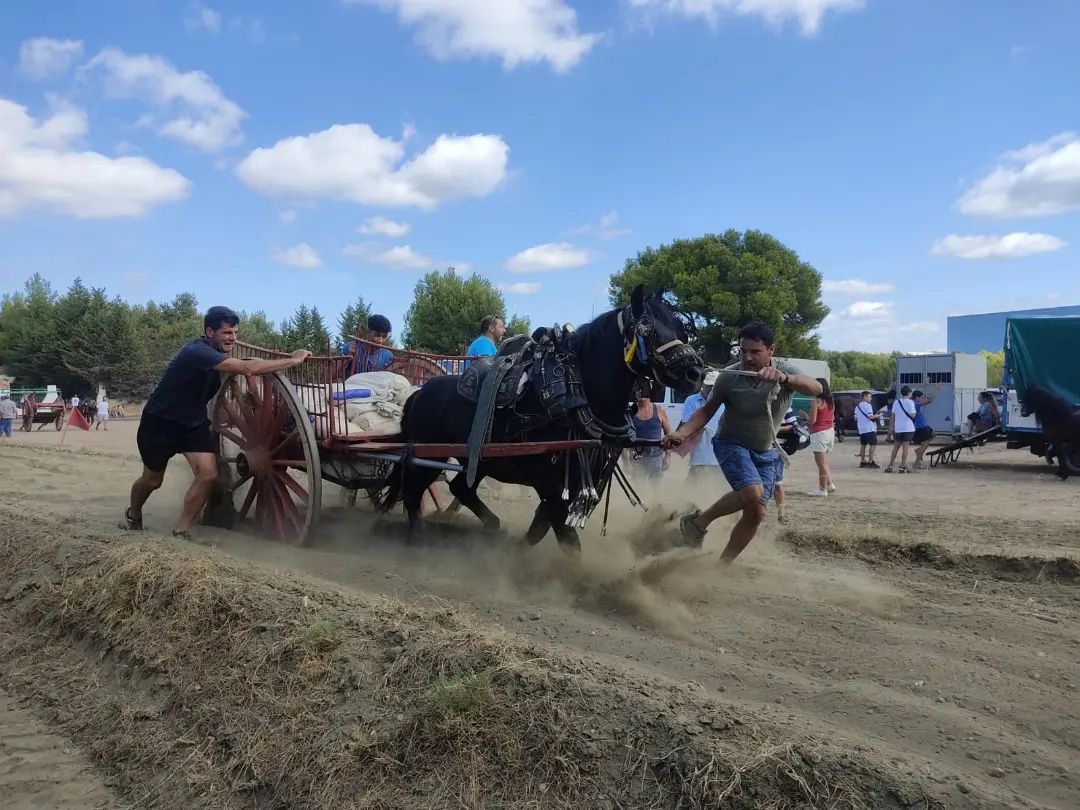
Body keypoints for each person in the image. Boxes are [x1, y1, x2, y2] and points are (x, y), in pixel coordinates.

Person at [122, 306, 311, 541]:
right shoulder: (197, 352)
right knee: (152, 480)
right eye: (227, 333)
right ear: (209, 332)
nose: (232, 338)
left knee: (208, 474)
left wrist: (248, 397)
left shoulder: (218, 356)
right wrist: (293, 360)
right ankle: (134, 513)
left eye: (235, 333)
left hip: (192, 423)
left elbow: (233, 381)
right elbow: (248, 368)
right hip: (160, 423)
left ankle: (181, 530)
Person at [663, 321, 823, 564]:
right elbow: (706, 411)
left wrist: (784, 378)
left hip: (765, 451)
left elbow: (816, 388)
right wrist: (682, 433)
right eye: (743, 350)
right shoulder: (729, 377)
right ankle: (697, 523)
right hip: (731, 442)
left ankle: (721, 566)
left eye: (755, 352)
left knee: (757, 512)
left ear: (771, 350)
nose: (748, 357)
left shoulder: (785, 369)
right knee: (752, 492)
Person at [679, 369, 725, 481]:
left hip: (721, 459)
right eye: (709, 385)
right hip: (700, 458)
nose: (711, 389)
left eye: (714, 386)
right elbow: (687, 425)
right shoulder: (692, 401)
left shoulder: (725, 402)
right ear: (703, 385)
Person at [629, 380, 672, 485]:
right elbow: (623, 439)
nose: (641, 393)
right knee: (639, 490)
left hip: (656, 457)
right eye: (638, 390)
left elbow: (669, 435)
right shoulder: (630, 412)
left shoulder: (659, 410)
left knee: (657, 490)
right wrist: (626, 461)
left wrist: (668, 456)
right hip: (638, 458)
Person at [806, 378, 836, 497]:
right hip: (829, 431)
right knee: (824, 462)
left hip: (819, 433)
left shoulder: (816, 401)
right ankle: (829, 484)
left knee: (821, 464)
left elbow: (812, 421)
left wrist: (805, 416)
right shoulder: (830, 401)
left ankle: (822, 489)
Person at [773, 408, 800, 523]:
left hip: (777, 449)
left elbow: (793, 426)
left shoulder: (785, 407)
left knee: (778, 484)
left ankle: (781, 514)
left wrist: (773, 429)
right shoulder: (755, 401)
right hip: (757, 447)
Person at [884, 386, 918, 473]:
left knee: (895, 447)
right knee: (905, 448)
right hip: (908, 428)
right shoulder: (910, 402)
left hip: (898, 428)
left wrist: (891, 427)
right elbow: (913, 415)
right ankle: (902, 467)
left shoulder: (896, 402)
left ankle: (890, 465)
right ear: (909, 393)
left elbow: (893, 415)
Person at [911, 389, 937, 470]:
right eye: (921, 397)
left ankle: (919, 451)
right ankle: (917, 462)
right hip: (921, 427)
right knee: (925, 445)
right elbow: (928, 401)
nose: (922, 398)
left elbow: (929, 401)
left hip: (924, 425)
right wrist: (935, 390)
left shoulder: (914, 404)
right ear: (917, 397)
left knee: (933, 434)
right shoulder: (914, 404)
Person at [855, 390, 880, 468]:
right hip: (869, 428)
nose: (870, 398)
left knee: (863, 445)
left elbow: (855, 418)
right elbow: (870, 417)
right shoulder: (868, 406)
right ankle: (870, 461)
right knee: (873, 444)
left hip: (861, 429)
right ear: (864, 397)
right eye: (869, 396)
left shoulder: (857, 406)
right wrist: (878, 415)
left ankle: (862, 461)